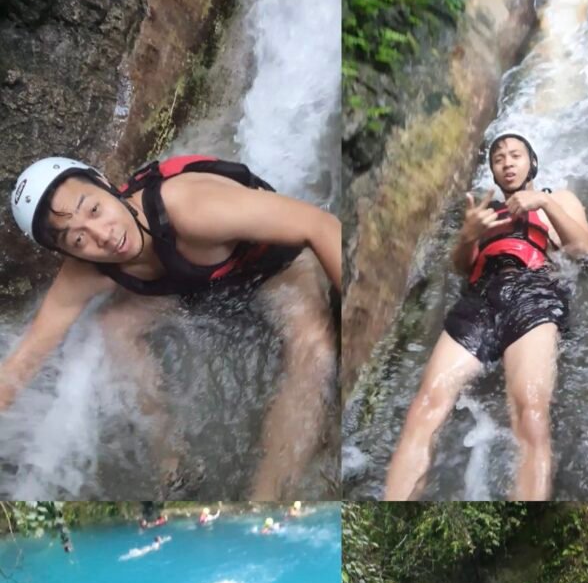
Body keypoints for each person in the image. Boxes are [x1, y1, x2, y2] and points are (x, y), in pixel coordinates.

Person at [3, 154, 341, 499]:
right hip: (195, 284)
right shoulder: (84, 270)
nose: (102, 235)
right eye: (77, 239)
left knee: (315, 352)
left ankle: (266, 500)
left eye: (94, 210)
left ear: (105, 183)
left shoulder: (193, 208)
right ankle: (173, 464)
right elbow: (25, 358)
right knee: (113, 327)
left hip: (270, 267)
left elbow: (319, 225)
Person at [385, 132, 588, 501]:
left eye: (515, 155)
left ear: (532, 163)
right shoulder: (483, 213)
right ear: (493, 172)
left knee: (531, 410)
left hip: (533, 291)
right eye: (499, 158)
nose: (507, 162)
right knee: (426, 404)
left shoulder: (558, 199)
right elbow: (462, 268)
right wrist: (468, 236)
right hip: (480, 298)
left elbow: (584, 249)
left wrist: (545, 203)